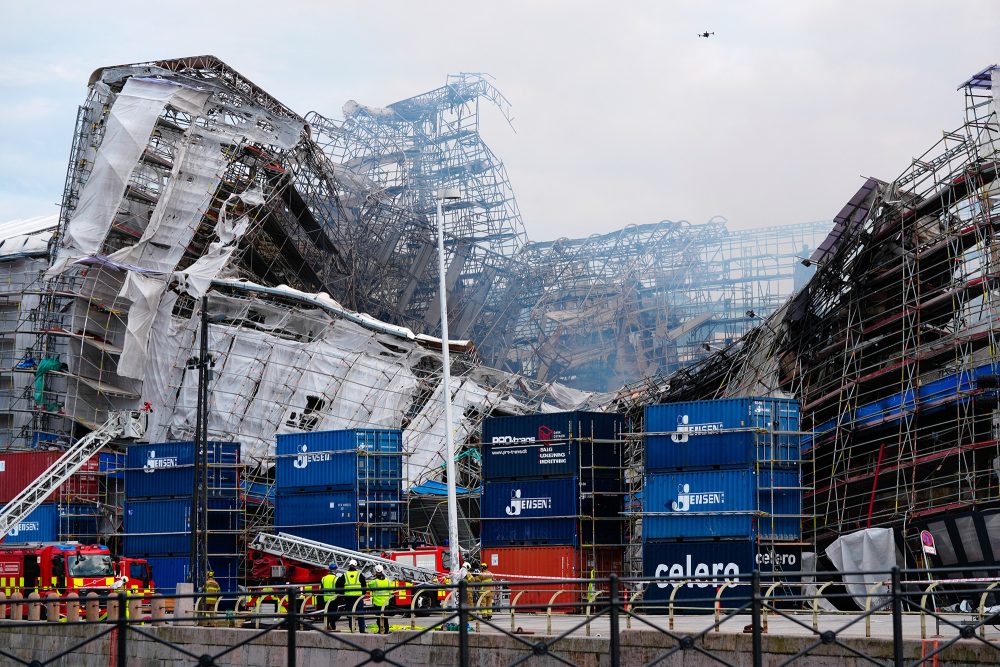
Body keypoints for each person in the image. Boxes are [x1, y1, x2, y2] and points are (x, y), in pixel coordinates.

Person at [338, 559, 367, 633]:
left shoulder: (345, 575)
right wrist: (363, 594)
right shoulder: (359, 574)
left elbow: (339, 585)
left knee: (350, 615)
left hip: (348, 598)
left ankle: (352, 629)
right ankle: (362, 630)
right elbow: (364, 585)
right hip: (358, 597)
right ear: (355, 566)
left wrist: (342, 596)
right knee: (360, 614)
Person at [368, 564, 394, 634]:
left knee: (379, 618)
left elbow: (369, 586)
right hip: (386, 603)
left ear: (376, 572)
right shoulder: (388, 581)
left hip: (377, 603)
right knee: (385, 618)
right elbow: (391, 592)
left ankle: (380, 630)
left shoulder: (374, 582)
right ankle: (386, 630)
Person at [321, 563, 340, 630]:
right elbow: (339, 589)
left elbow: (321, 589)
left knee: (327, 613)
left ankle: (327, 626)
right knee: (333, 614)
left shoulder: (323, 578)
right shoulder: (336, 578)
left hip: (325, 599)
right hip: (334, 599)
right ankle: (333, 627)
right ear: (335, 570)